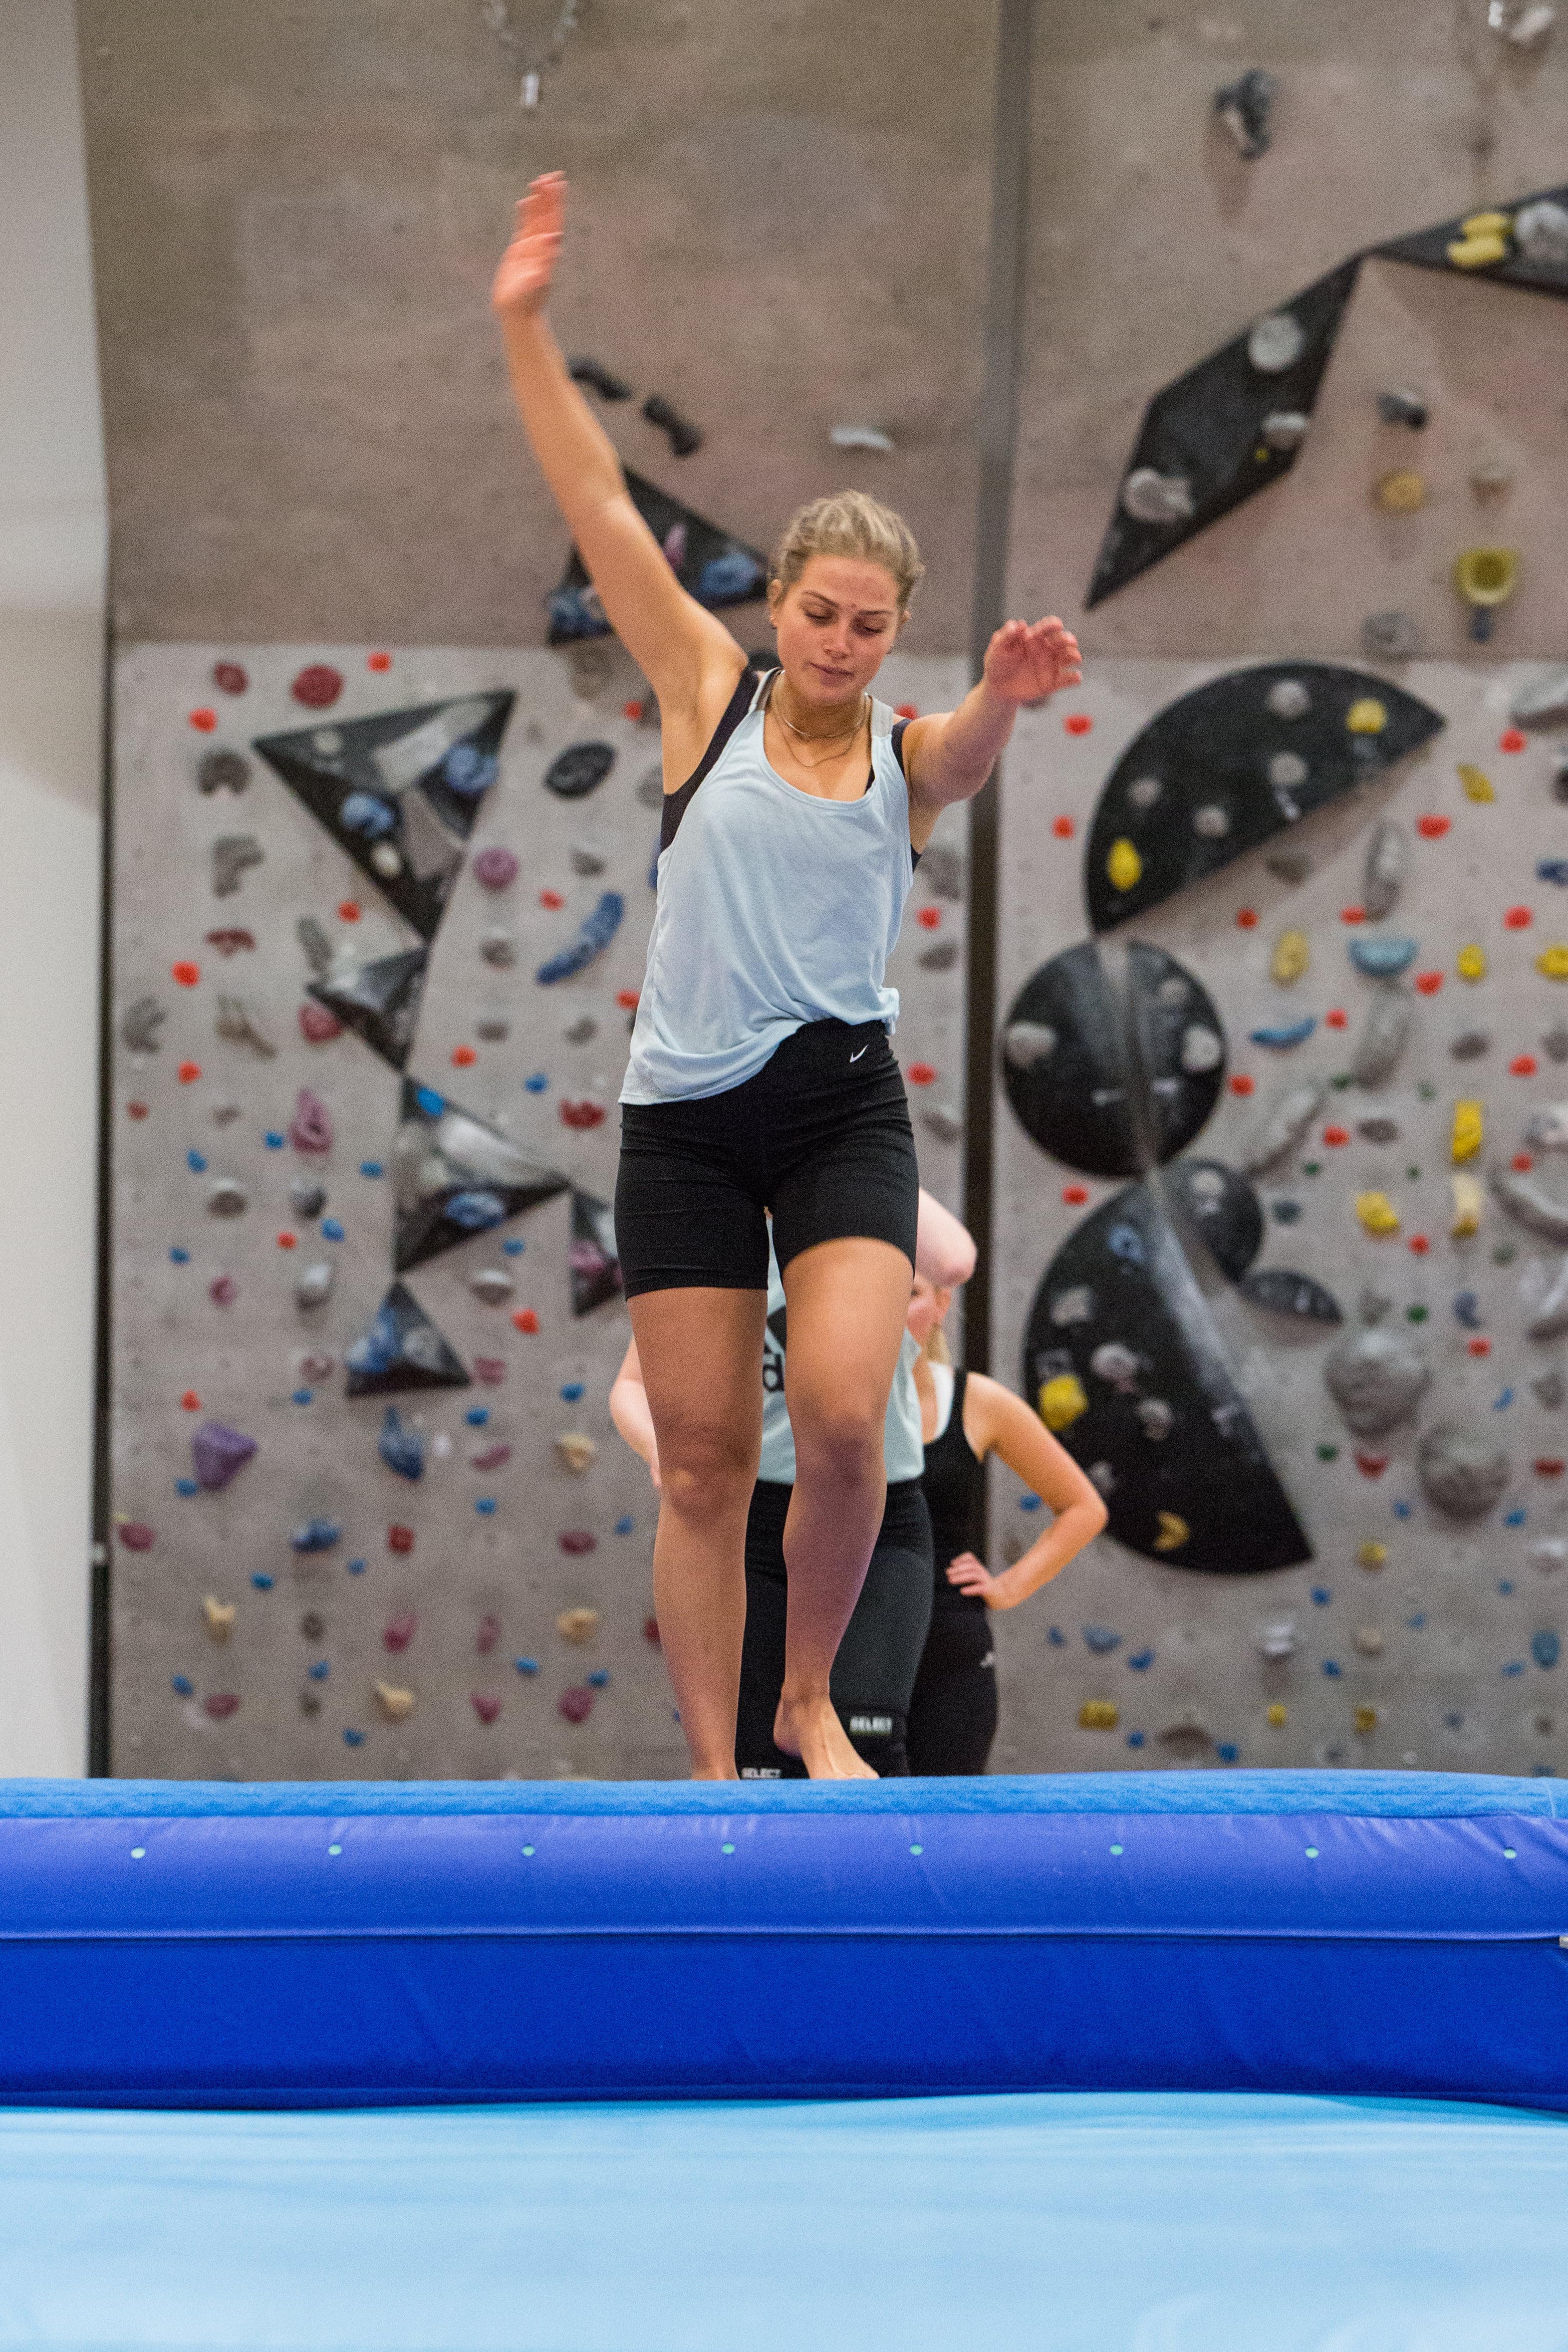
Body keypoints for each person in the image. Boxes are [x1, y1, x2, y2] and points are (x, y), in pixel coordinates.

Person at [492, 173, 1083, 1778]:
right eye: (819, 612)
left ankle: (805, 1695)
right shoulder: (706, 689)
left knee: (836, 1420)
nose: (837, 640)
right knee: (696, 1463)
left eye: (868, 623)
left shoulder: (905, 749)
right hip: (680, 1122)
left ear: (894, 634)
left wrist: (1004, 694)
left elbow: (960, 749)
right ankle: (708, 1767)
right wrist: (523, 326)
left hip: (837, 1110)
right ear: (781, 604)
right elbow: (604, 506)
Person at [611, 1193, 977, 1777]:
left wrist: (853, 1125)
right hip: (755, 1519)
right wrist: (661, 1448)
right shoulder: (725, 1254)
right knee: (757, 1755)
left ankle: (879, 1861)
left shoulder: (861, 1238)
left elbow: (953, 1257)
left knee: (870, 1728)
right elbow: (629, 1386)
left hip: (876, 1524)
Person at [905, 1272, 1108, 1775]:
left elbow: (1083, 1507)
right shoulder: (823, 1398)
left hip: (948, 1646)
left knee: (945, 1833)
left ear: (941, 1303)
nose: (888, 1308)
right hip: (847, 1644)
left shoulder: (978, 1400)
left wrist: (1009, 1586)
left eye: (908, 1292)